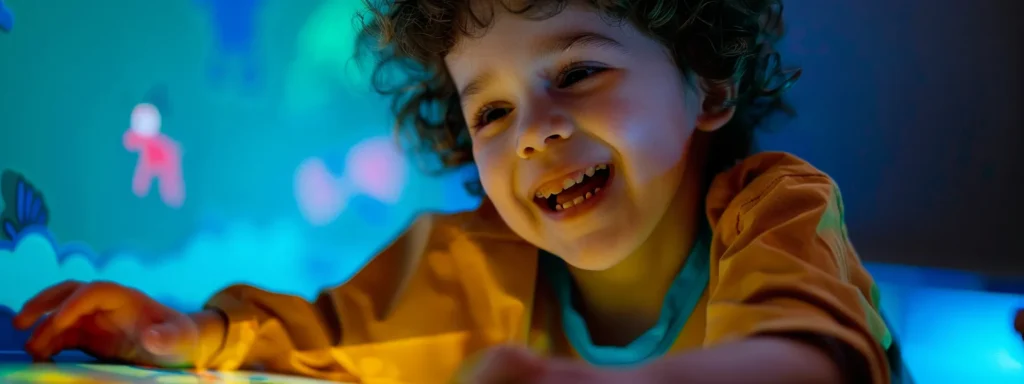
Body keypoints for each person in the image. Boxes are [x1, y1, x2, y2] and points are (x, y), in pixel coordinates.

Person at [12, 0, 898, 382]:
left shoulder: (773, 207)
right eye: (493, 111)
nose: (534, 130)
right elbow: (329, 336)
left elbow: (807, 354)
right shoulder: (469, 258)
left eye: (579, 70)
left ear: (707, 84)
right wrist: (188, 332)